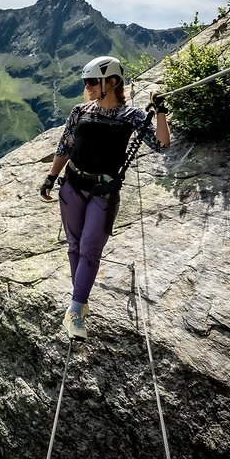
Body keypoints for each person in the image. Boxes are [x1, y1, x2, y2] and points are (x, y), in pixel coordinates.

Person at [39, 56, 170, 340]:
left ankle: (75, 311)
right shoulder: (80, 111)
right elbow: (65, 146)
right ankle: (81, 300)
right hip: (72, 184)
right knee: (74, 246)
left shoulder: (131, 116)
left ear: (111, 82)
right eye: (85, 82)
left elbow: (160, 145)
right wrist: (51, 177)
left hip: (104, 191)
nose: (86, 86)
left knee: (89, 248)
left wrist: (160, 112)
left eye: (91, 82)